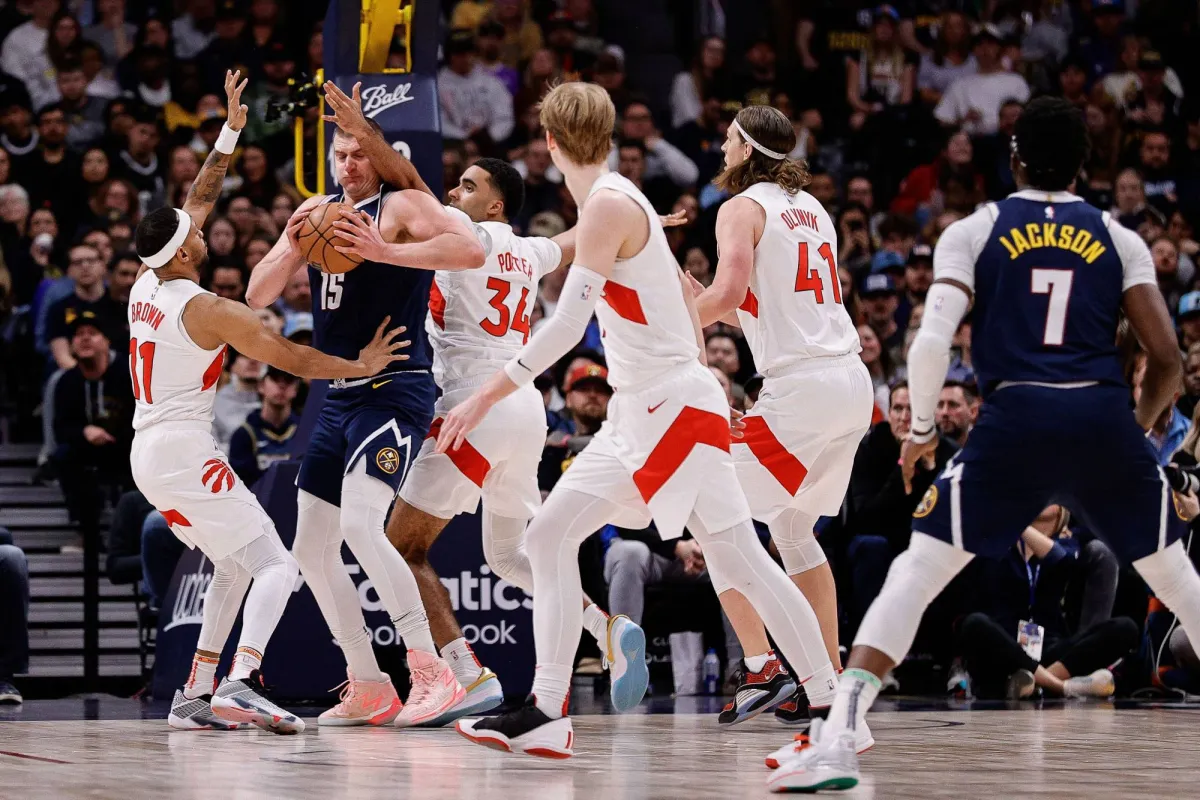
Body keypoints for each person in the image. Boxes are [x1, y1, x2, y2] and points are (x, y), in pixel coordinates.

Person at [770, 96, 1200, 792]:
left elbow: (930, 344)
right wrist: (1136, 434)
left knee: (916, 574)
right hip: (1099, 417)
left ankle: (839, 737)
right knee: (1178, 579)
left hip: (1014, 418)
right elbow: (1170, 359)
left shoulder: (976, 229)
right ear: (1085, 163)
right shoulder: (1120, 239)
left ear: (1015, 157)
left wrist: (920, 432)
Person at [439, 81, 840, 759]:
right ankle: (546, 712)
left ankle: (831, 712)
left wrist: (483, 397)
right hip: (644, 409)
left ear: (550, 143)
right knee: (549, 537)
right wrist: (701, 378)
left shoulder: (608, 204)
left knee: (741, 558)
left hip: (667, 406)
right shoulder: (618, 202)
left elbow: (568, 324)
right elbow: (679, 302)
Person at [320, 80, 660, 724]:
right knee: (510, 557)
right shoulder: (529, 250)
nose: (452, 195)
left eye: (467, 186)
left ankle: (464, 674)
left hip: (471, 407)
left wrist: (364, 133)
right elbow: (575, 239)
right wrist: (646, 228)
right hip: (524, 411)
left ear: (495, 204)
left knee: (400, 546)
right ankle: (606, 629)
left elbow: (409, 182)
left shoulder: (458, 237)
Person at [130, 71, 406, 735]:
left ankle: (194, 693)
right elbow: (291, 357)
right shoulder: (209, 309)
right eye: (195, 232)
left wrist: (231, 130)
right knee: (277, 564)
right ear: (186, 251)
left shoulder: (146, 279)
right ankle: (243, 681)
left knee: (232, 564)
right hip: (184, 450)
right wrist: (359, 365)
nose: (204, 227)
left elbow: (198, 196)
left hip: (149, 454)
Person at [246, 83, 487, 729]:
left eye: (359, 154)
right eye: (340, 154)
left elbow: (471, 250)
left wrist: (386, 252)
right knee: (310, 547)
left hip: (397, 386)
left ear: (380, 158)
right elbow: (257, 293)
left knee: (361, 524)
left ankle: (431, 673)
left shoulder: (402, 206)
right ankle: (368, 682)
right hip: (340, 396)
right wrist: (294, 246)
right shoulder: (316, 212)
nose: (349, 164)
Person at [687, 105, 873, 727]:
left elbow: (728, 295)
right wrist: (696, 298)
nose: (720, 147)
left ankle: (762, 665)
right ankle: (830, 679)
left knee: (711, 513)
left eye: (727, 139)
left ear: (745, 148)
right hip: (850, 383)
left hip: (803, 389)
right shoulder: (812, 208)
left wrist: (673, 313)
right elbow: (760, 307)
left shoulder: (739, 209)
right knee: (792, 530)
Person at [228, 366, 299, 486]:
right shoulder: (244, 435)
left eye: (288, 380)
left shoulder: (304, 432)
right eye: (275, 379)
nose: (282, 386)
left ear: (296, 389)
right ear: (261, 386)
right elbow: (239, 486)